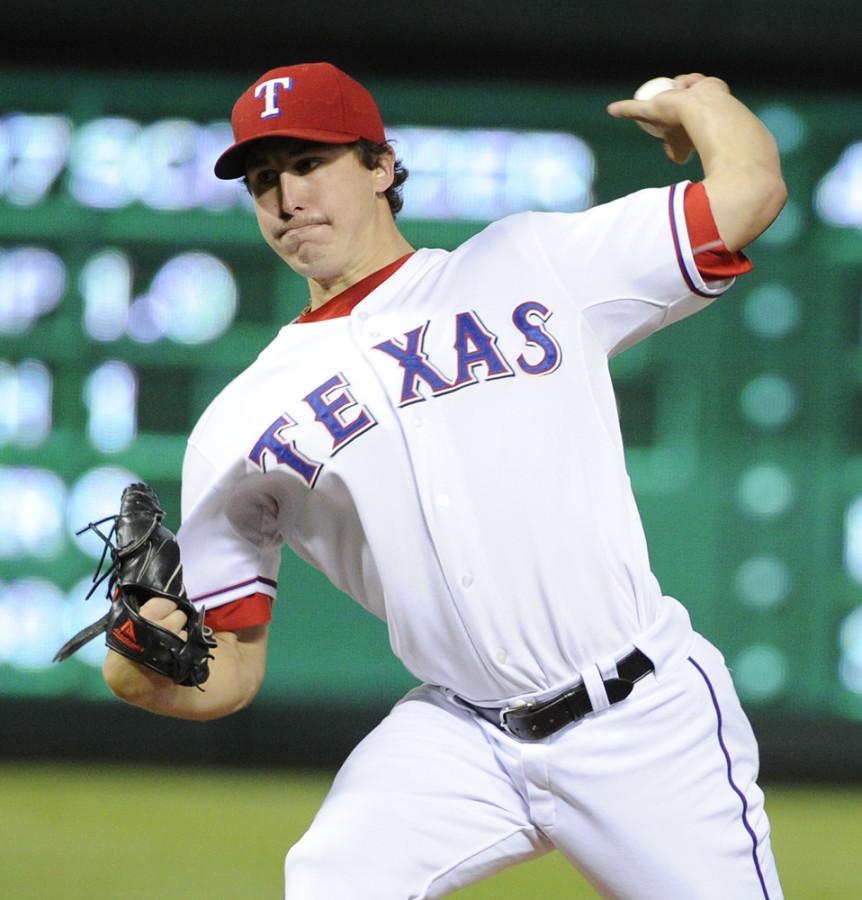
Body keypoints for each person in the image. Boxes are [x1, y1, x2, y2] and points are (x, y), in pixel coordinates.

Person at [103, 61, 787, 899]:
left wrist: (706, 105)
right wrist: (136, 662)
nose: (285, 198)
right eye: (262, 180)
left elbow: (749, 191)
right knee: (329, 876)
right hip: (464, 737)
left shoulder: (531, 262)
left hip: (640, 716)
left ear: (382, 166)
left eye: (309, 164)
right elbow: (228, 675)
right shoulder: (238, 424)